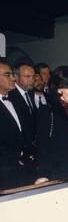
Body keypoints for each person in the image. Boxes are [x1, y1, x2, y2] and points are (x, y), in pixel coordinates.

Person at [35, 66, 68, 183]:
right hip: (58, 172)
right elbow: (43, 146)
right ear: (59, 89)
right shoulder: (47, 111)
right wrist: (43, 173)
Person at [0, 61, 32, 189]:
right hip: (4, 170)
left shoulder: (15, 100)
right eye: (8, 74)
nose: (13, 78)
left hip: (23, 167)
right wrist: (14, 158)